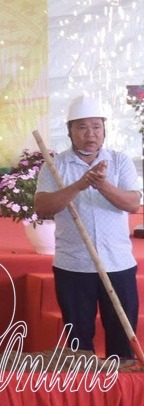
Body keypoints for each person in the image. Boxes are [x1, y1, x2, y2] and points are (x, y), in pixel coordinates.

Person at [34, 95, 140, 362]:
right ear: (69, 131)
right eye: (82, 127)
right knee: (79, 343)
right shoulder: (55, 166)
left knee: (122, 340)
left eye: (96, 126)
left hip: (118, 264)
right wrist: (79, 185)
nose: (90, 134)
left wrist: (101, 184)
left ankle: (119, 384)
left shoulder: (119, 161)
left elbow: (132, 204)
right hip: (73, 267)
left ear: (104, 130)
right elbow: (42, 207)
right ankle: (84, 383)